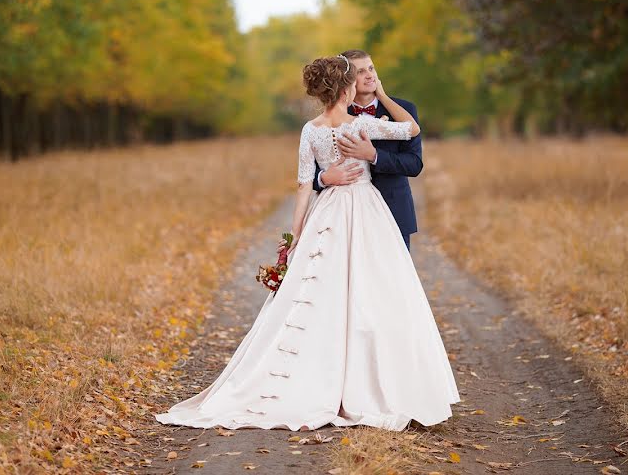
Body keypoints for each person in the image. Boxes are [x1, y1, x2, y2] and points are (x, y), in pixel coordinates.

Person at [154, 55, 460, 432]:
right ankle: (372, 387)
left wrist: (295, 238)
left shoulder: (310, 130)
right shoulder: (364, 124)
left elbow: (302, 186)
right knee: (375, 293)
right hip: (367, 212)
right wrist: (343, 163)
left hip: (327, 215)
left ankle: (316, 376)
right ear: (346, 89)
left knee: (321, 295)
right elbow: (411, 129)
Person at [313, 49, 422, 251]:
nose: (370, 75)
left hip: (393, 212)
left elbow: (414, 164)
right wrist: (325, 178)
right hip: (347, 218)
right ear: (347, 79)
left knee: (394, 281)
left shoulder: (404, 110)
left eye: (371, 68)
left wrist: (373, 155)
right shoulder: (333, 116)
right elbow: (309, 174)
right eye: (361, 71)